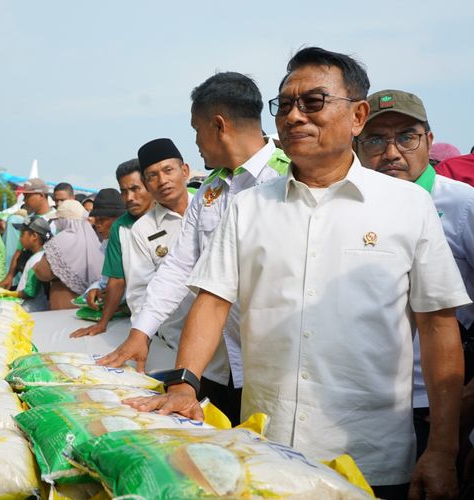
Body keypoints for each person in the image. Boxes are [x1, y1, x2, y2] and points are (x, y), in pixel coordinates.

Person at [124, 47, 469, 499]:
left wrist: (442, 450)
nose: (293, 116)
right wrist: (185, 383)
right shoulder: (246, 205)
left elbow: (437, 327)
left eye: (313, 102)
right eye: (284, 105)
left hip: (372, 456)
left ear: (358, 115)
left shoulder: (408, 206)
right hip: (263, 447)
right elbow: (211, 301)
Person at [101, 73, 291, 424]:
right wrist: (140, 332)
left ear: (218, 125)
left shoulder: (288, 177)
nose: (197, 141)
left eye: (196, 129)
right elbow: (178, 267)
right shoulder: (210, 190)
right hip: (217, 362)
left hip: (277, 366)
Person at [356, 89, 474, 461]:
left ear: (429, 141)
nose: (391, 153)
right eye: (376, 139)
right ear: (356, 146)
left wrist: (465, 406)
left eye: (406, 137)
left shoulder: (462, 205)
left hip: (439, 408)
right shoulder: (349, 208)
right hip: (364, 409)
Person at [70, 159, 154, 338]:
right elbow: (116, 279)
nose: (129, 197)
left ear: (149, 185)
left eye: (135, 189)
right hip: (142, 321)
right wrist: (102, 323)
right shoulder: (120, 228)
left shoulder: (174, 216)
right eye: (124, 191)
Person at [33, 199, 102, 309]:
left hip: (63, 300)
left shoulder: (59, 241)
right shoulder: (95, 240)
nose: (56, 222)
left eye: (58, 219)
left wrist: (35, 266)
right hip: (90, 301)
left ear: (65, 220)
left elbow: (43, 273)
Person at [0, 178, 56, 289]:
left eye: (28, 196)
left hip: (47, 282)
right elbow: (19, 251)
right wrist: (10, 276)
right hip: (29, 281)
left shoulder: (57, 220)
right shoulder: (28, 220)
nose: (24, 200)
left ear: (41, 195)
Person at [14, 216, 52, 312]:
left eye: (22, 234)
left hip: (31, 310)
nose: (20, 238)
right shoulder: (42, 255)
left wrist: (9, 294)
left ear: (34, 236)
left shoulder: (36, 260)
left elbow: (30, 292)